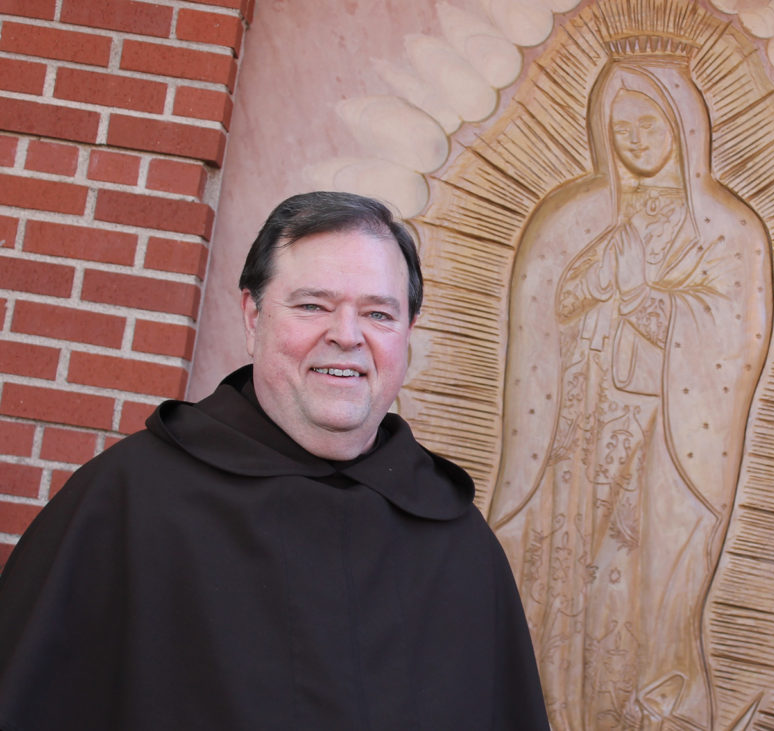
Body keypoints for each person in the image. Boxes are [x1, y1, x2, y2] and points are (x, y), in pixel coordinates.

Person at [0, 191, 549, 730]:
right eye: (313, 305)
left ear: (407, 336)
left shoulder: (459, 546)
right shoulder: (128, 502)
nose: (346, 336)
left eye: (379, 313)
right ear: (252, 316)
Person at [488, 59, 772, 729]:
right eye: (621, 129)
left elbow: (732, 335)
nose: (636, 140)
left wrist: (648, 300)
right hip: (585, 429)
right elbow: (556, 302)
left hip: (668, 439)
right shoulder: (580, 217)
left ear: (683, 126)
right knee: (575, 571)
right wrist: (596, 293)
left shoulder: (729, 231)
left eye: (649, 124)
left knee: (636, 584)